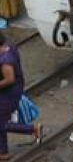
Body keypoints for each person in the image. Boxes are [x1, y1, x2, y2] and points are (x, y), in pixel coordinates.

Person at [0, 32, 38, 160]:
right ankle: (2, 152)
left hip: (8, 94)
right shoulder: (9, 46)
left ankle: (32, 129)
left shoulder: (5, 61)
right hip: (12, 90)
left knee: (1, 123)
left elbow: (9, 79)